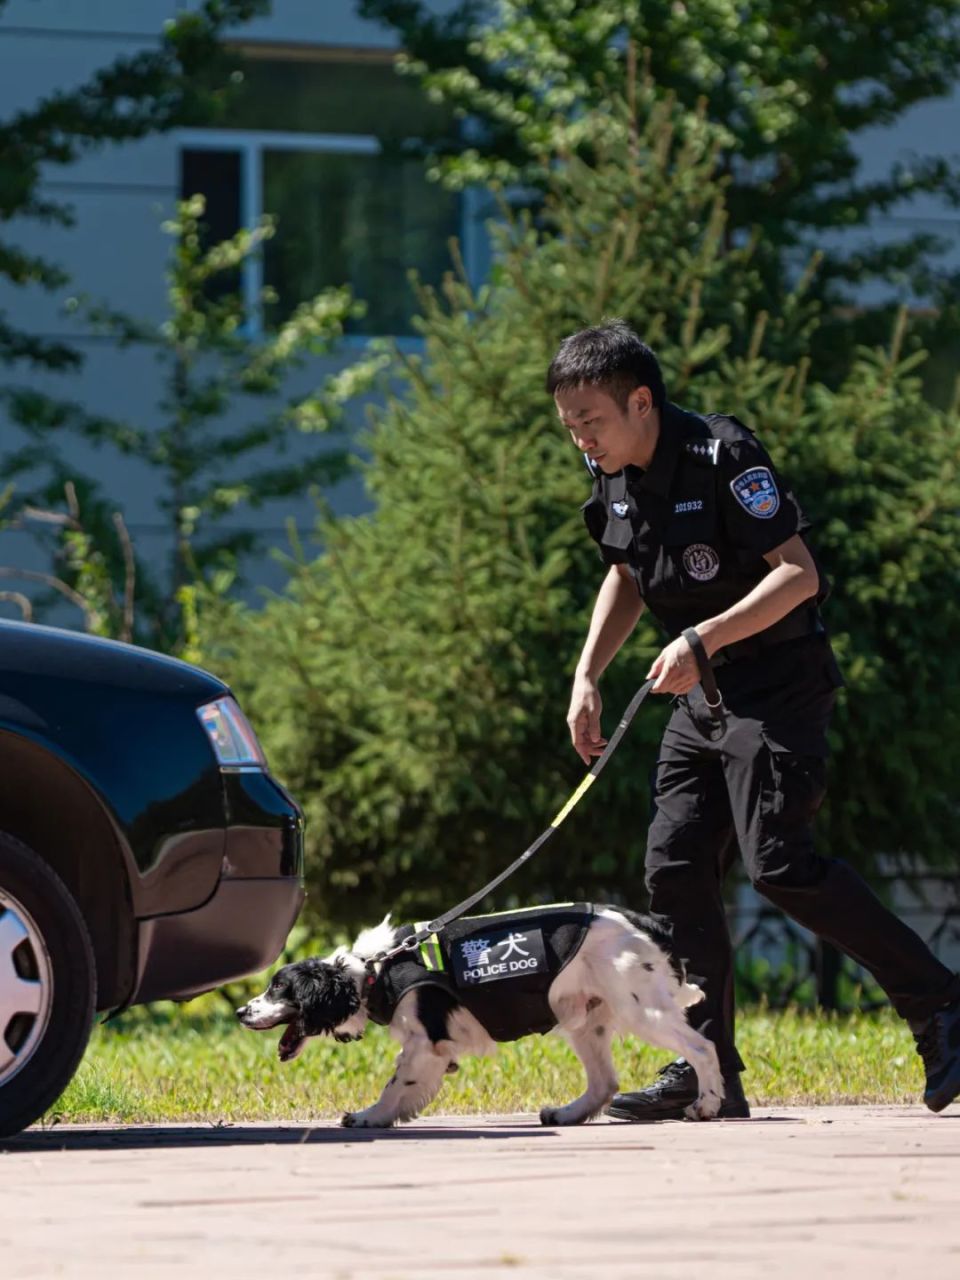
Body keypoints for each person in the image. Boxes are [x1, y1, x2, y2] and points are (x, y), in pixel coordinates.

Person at [548, 319, 960, 1121]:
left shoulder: (723, 457)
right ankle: (706, 1071)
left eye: (590, 422)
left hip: (776, 688)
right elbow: (627, 572)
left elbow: (798, 576)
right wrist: (586, 673)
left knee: (779, 862)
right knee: (672, 868)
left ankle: (942, 1004)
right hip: (698, 701)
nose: (582, 441)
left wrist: (701, 640)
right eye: (570, 428)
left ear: (641, 401)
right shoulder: (616, 476)